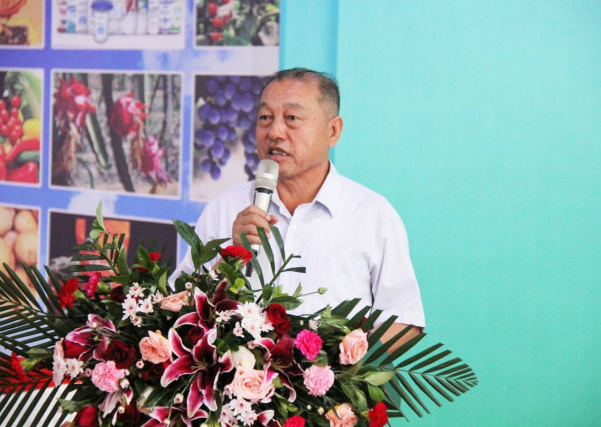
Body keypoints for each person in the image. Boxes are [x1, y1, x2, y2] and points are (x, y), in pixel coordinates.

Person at [172, 68, 425, 350]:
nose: (275, 132)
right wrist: (229, 258)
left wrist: (344, 369)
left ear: (332, 131)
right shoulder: (225, 206)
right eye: (265, 118)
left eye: (292, 118)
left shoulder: (372, 215)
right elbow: (176, 306)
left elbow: (404, 322)